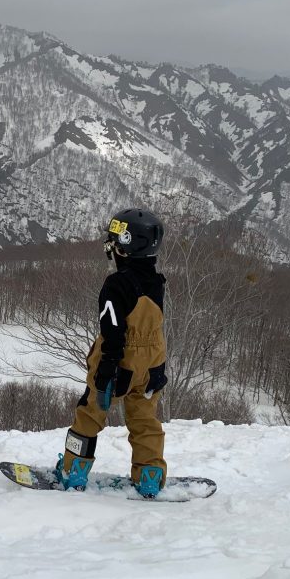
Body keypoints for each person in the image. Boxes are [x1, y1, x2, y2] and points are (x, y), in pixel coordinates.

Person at [55, 208, 168, 497]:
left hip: (119, 362)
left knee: (90, 413)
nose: (112, 249)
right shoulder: (156, 282)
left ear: (126, 247)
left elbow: (114, 331)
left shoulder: (116, 285)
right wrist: (159, 370)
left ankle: (74, 469)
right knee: (144, 419)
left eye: (115, 243)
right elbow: (151, 330)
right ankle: (149, 475)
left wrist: (107, 369)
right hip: (152, 362)